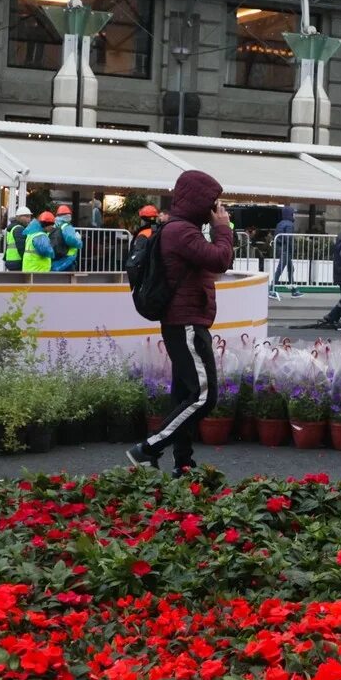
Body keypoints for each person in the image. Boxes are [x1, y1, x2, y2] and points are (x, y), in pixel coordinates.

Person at [125, 170, 234, 477]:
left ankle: (183, 464)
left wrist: (218, 230)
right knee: (203, 396)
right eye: (213, 201)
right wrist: (223, 228)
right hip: (186, 324)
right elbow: (220, 259)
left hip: (183, 321)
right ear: (199, 200)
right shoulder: (182, 232)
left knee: (185, 394)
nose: (217, 207)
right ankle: (147, 449)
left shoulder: (179, 229)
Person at [269, 204, 302, 300]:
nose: (294, 215)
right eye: (293, 213)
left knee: (290, 268)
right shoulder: (290, 224)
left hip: (281, 248)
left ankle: (294, 291)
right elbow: (289, 239)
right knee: (281, 269)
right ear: (290, 214)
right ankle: (272, 289)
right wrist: (293, 249)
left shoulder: (280, 223)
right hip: (286, 250)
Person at [49, 204, 83, 272]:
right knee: (69, 281)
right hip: (67, 260)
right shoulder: (66, 227)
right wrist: (79, 240)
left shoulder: (53, 226)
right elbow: (71, 240)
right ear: (68, 216)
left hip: (55, 259)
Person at [2, 206, 33, 271]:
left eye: (30, 217)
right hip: (17, 261)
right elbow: (22, 247)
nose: (29, 219)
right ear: (19, 217)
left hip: (12, 261)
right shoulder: (19, 229)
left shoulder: (13, 228)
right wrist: (26, 260)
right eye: (26, 216)